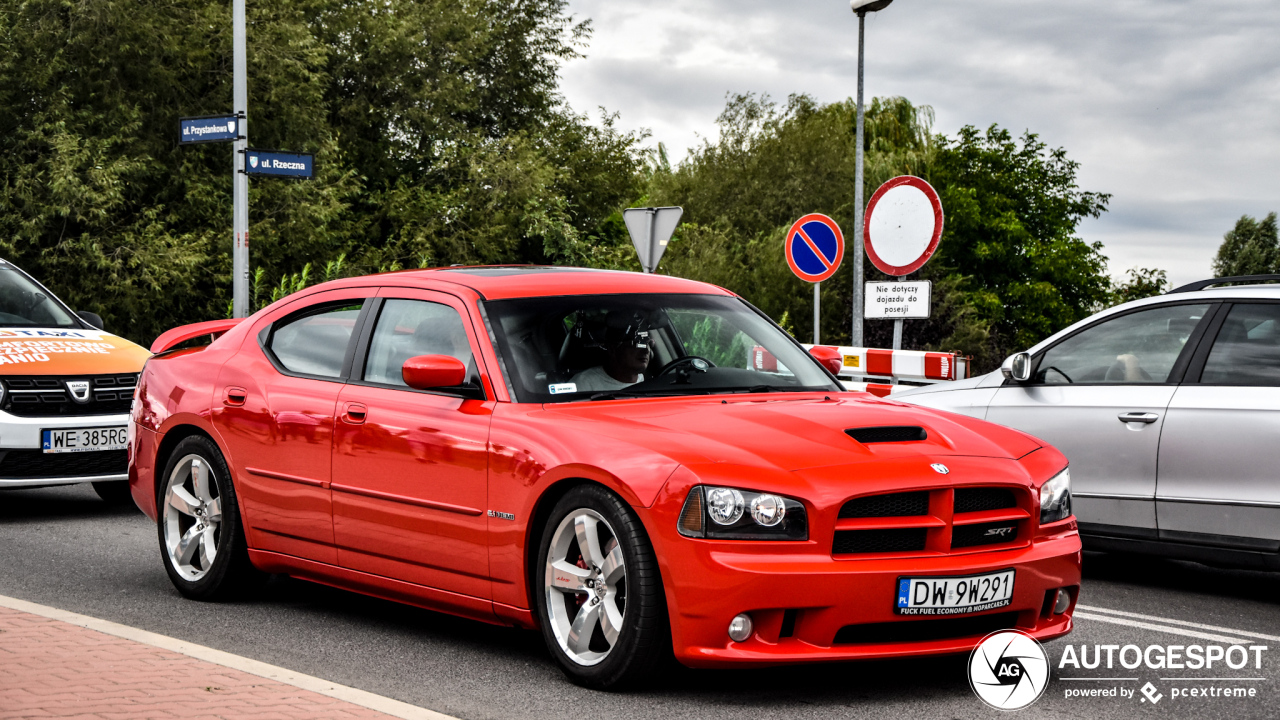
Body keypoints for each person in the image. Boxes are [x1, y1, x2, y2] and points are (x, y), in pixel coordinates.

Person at [570, 311, 652, 392]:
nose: (646, 350)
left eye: (647, 343)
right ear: (612, 349)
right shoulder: (583, 385)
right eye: (636, 343)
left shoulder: (652, 383)